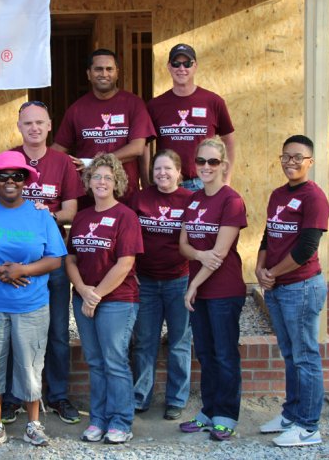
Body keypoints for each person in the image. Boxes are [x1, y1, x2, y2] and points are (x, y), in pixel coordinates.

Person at [0, 101, 85, 425]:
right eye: (28, 123)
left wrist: (42, 215)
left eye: (40, 123)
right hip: (10, 265)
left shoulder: (62, 162)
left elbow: (70, 210)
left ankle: (58, 395)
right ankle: (10, 399)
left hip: (49, 261)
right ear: (19, 126)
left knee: (56, 332)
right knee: (10, 331)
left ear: (49, 125)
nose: (34, 128)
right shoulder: (5, 160)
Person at [0, 151, 66, 449]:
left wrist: (23, 270)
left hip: (31, 305)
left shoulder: (41, 215)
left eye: (16, 176)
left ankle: (33, 425)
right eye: (2, 176)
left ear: (24, 181)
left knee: (30, 365)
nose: (9, 181)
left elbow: (55, 259)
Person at [256, 135, 329, 448]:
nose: (291, 162)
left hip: (300, 287)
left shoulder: (314, 197)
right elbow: (267, 236)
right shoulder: (277, 195)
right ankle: (291, 415)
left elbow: (307, 248)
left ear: (310, 162)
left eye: (298, 157)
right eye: (286, 156)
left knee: (305, 358)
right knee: (290, 356)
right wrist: (260, 269)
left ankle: (309, 427)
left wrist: (272, 273)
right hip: (277, 286)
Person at [66, 153, 143, 445]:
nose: (101, 181)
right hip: (84, 297)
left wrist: (95, 294)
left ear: (117, 183)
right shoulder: (83, 217)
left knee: (114, 361)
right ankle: (97, 419)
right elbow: (70, 258)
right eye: (96, 176)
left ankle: (120, 421)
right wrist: (84, 290)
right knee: (96, 362)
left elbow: (124, 264)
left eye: (108, 177)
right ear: (88, 180)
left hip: (117, 300)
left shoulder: (126, 216)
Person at [178, 136, 247, 441]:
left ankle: (227, 415)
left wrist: (193, 283)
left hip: (224, 290)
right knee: (205, 354)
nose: (206, 167)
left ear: (223, 165)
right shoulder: (193, 200)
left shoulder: (231, 201)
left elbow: (218, 255)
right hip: (201, 291)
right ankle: (209, 410)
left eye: (213, 162)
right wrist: (198, 255)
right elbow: (183, 245)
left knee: (224, 354)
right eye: (201, 162)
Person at [129, 149, 193, 419]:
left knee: (179, 342)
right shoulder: (140, 198)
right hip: (146, 281)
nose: (162, 173)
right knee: (145, 342)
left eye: (168, 168)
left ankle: (176, 399)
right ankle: (141, 397)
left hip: (180, 280)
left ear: (179, 172)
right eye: (157, 169)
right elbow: (129, 238)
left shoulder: (191, 200)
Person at [52, 49, 155, 205]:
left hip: (125, 195)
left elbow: (137, 148)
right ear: (88, 74)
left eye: (109, 69)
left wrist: (92, 163)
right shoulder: (77, 109)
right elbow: (58, 149)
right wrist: (33, 162)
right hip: (89, 196)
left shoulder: (134, 104)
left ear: (117, 73)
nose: (104, 74)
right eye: (98, 69)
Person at [143, 43, 235, 192]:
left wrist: (226, 180)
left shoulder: (213, 102)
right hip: (166, 184)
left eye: (187, 64)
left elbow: (229, 142)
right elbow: (145, 144)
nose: (181, 68)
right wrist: (146, 180)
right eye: (176, 64)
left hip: (203, 183)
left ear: (195, 66)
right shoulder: (155, 105)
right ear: (168, 67)